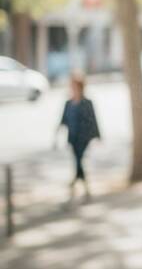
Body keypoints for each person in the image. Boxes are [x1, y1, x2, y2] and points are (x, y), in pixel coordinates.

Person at [56, 72, 100, 203]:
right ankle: (82, 185)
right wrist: (56, 134)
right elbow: (63, 119)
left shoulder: (87, 102)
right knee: (78, 161)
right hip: (72, 137)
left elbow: (93, 120)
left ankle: (76, 184)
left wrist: (97, 135)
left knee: (79, 160)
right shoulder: (68, 103)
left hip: (83, 138)